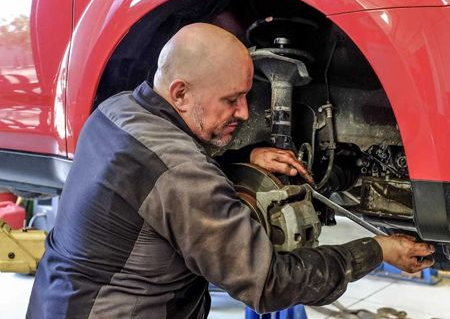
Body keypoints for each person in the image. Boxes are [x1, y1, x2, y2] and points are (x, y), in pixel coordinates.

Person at [27, 23, 434, 319]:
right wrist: (376, 251)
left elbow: (158, 182)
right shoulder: (183, 175)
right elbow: (270, 283)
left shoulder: (115, 111)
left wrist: (241, 160)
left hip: (59, 302)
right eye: (232, 99)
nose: (244, 111)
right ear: (181, 93)